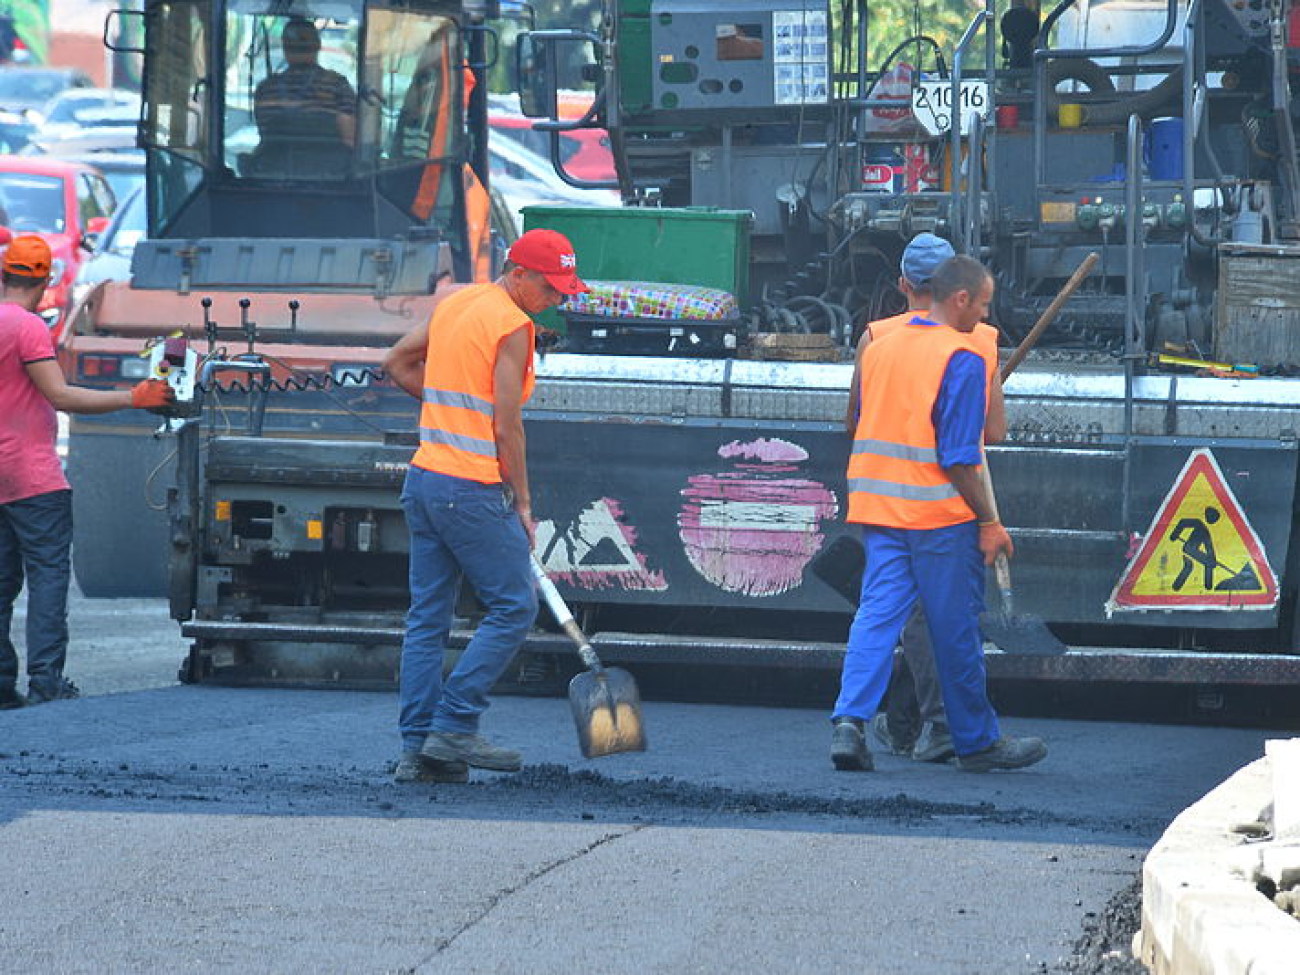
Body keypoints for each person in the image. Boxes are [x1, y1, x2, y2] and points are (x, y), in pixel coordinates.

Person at [382, 228, 589, 784]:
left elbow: (398, 361)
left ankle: (418, 752)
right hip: (470, 489)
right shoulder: (513, 325)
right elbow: (507, 427)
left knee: (427, 620)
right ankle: (455, 724)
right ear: (518, 274)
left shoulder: (457, 304)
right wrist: (522, 503)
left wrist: (447, 417)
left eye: (564, 290)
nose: (557, 300)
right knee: (514, 607)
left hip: (425, 480)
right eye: (550, 288)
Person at [831, 254, 1047, 773]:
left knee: (876, 619)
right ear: (960, 299)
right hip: (939, 518)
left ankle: (848, 725)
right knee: (955, 631)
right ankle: (975, 744)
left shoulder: (880, 345)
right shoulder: (965, 356)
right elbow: (959, 455)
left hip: (879, 508)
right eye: (985, 303)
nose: (987, 314)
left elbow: (855, 420)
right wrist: (990, 522)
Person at [0, 236, 174, 709]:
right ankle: (45, 683)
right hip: (33, 481)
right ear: (47, 280)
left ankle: (0, 683)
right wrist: (132, 398)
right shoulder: (28, 328)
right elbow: (61, 396)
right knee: (48, 579)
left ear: (3, 272)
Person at [250, 18, 357, 174]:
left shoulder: (266, 89)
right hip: (331, 182)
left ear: (285, 48)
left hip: (272, 180)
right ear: (318, 46)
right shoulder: (337, 86)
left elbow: (265, 135)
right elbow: (350, 138)